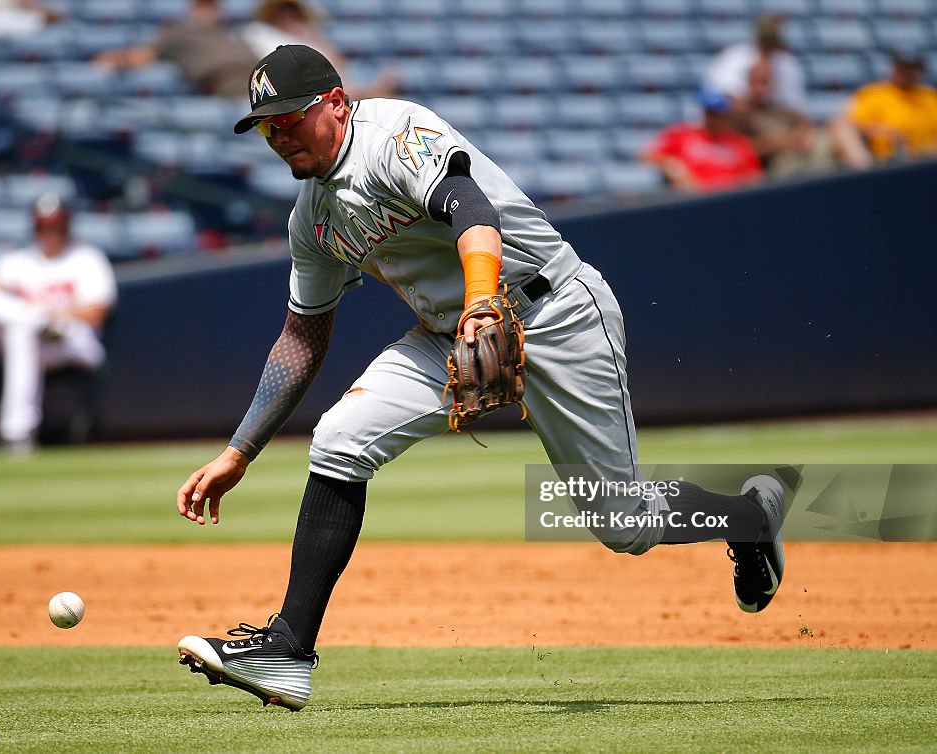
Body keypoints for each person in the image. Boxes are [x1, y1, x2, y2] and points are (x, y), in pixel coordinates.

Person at [174, 45, 786, 712]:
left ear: (336, 104)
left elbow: (470, 208)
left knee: (622, 522)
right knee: (340, 439)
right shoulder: (312, 218)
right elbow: (301, 337)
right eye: (267, 126)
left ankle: (749, 517)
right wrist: (239, 450)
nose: (278, 135)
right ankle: (288, 652)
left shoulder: (393, 136)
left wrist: (479, 302)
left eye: (289, 118)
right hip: (449, 332)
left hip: (553, 312)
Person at [0, 195, 116, 453]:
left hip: (73, 341)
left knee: (24, 330)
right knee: (17, 327)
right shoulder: (18, 261)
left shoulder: (87, 258)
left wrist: (53, 314)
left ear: (67, 226)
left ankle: (16, 434)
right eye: (43, 226)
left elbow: (96, 312)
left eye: (56, 226)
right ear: (34, 227)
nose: (50, 232)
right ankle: (17, 435)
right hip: (32, 339)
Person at [242, 0, 398, 101]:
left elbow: (338, 65)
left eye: (294, 12)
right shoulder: (259, 33)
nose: (289, 17)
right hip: (293, 88)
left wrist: (315, 37)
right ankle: (369, 94)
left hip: (324, 83)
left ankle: (369, 94)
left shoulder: (308, 36)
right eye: (283, 12)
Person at [92, 0, 255, 96]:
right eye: (202, 5)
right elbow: (143, 56)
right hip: (226, 82)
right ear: (192, 9)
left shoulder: (233, 34)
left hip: (253, 75)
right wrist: (114, 59)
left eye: (211, 6)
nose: (207, 11)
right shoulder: (177, 33)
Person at [731, 58, 838, 177]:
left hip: (800, 155)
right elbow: (740, 148)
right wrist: (785, 142)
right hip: (775, 168)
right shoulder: (740, 112)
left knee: (822, 141)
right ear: (748, 81)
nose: (761, 88)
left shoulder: (777, 107)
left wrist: (801, 134)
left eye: (766, 82)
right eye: (757, 82)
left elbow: (803, 120)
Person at [643, 89, 763, 192]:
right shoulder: (681, 134)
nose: (713, 118)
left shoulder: (737, 143)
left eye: (718, 114)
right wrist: (674, 167)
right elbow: (648, 156)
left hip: (729, 202)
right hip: (694, 201)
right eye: (710, 113)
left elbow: (753, 179)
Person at [839, 51, 937, 163]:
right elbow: (853, 123)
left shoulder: (930, 95)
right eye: (903, 68)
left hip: (927, 156)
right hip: (886, 156)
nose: (907, 73)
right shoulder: (874, 93)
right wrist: (887, 131)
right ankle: (864, 173)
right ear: (892, 69)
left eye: (912, 69)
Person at [704, 15, 807, 115]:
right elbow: (716, 96)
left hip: (772, 118)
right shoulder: (734, 57)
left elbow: (794, 108)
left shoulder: (788, 64)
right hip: (736, 118)